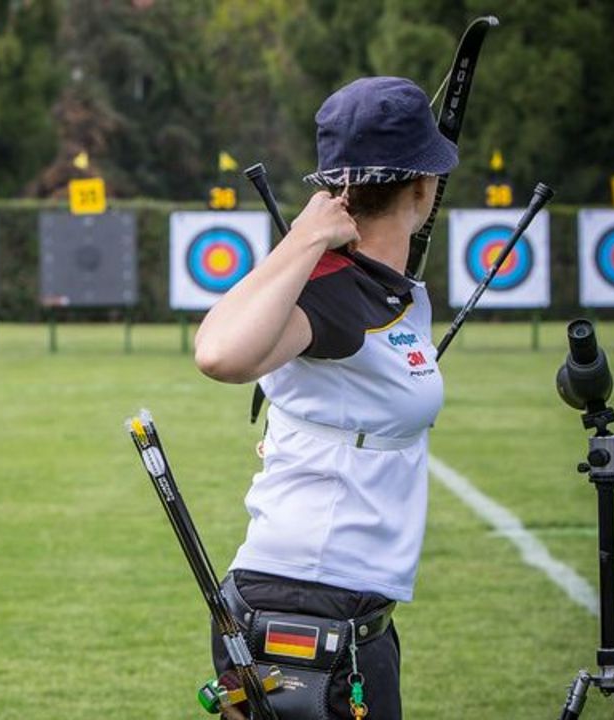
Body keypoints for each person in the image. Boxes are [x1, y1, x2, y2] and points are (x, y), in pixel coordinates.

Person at [193, 77, 456, 719]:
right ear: (424, 190)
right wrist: (304, 240)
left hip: (349, 603)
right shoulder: (330, 290)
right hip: (307, 601)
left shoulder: (377, 291)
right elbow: (218, 353)